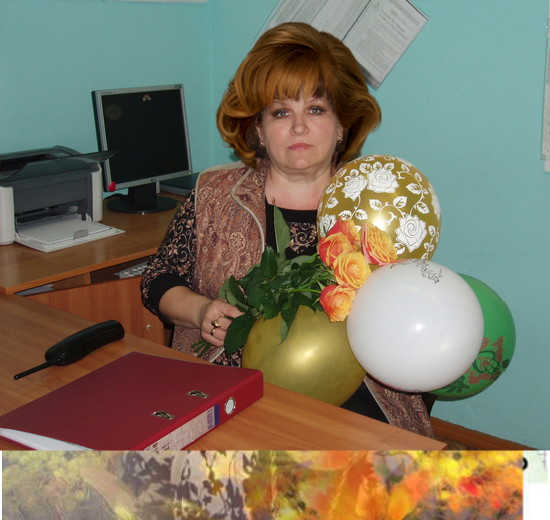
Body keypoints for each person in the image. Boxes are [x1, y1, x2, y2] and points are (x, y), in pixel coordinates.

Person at [141, 22, 433, 437]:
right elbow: (159, 278)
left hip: (356, 389)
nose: (299, 127)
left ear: (342, 125)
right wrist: (200, 311)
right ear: (259, 129)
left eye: (316, 109)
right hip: (230, 386)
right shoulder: (214, 193)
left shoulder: (376, 201)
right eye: (281, 112)